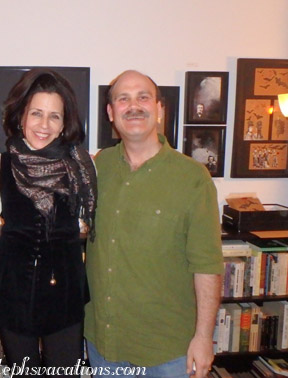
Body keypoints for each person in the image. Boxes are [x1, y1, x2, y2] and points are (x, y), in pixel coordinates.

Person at [84, 70, 223, 378]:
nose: (134, 106)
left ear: (160, 109)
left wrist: (203, 337)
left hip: (168, 353)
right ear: (111, 113)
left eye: (143, 97)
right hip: (104, 344)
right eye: (123, 99)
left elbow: (208, 264)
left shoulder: (192, 178)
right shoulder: (97, 167)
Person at [0, 68, 96, 376]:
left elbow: (87, 224)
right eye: (36, 113)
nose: (44, 125)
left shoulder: (82, 169)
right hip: (13, 292)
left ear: (64, 123)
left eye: (54, 116)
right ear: (21, 117)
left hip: (65, 293)